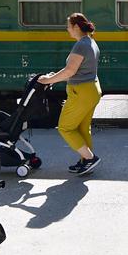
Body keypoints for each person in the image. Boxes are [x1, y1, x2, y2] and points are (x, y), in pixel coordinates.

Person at [38, 13, 102, 176]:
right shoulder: (90, 42)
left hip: (81, 91)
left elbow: (70, 70)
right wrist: (52, 78)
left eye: (68, 26)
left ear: (76, 27)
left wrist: (48, 80)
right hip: (91, 89)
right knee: (82, 128)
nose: (67, 30)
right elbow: (72, 69)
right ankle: (85, 162)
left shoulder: (81, 45)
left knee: (65, 127)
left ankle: (89, 158)